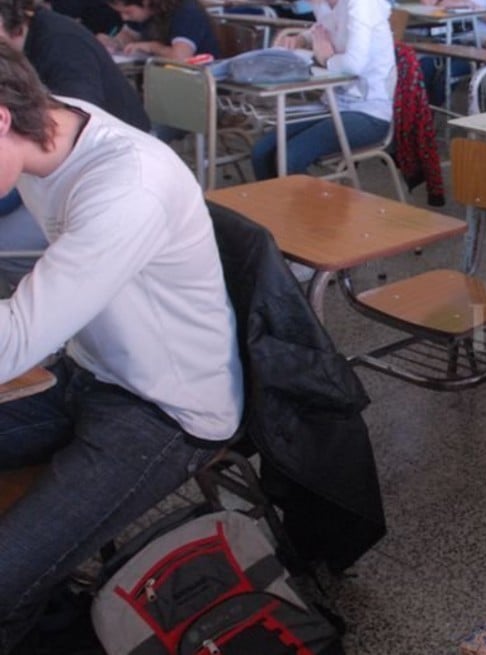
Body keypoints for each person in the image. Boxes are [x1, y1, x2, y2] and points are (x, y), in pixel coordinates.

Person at [0, 41, 242, 651]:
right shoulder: (50, 125)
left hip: (165, 411)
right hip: (88, 372)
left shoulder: (127, 184)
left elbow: (14, 344)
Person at [0, 0, 150, 289]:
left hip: (99, 165)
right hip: (56, 160)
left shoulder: (61, 43)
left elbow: (57, 137)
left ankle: (47, 285)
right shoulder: (32, 42)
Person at [250, 0, 394, 179]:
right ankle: (274, 198)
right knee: (262, 152)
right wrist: (301, 39)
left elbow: (354, 65)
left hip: (370, 111)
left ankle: (306, 198)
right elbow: (322, 30)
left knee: (289, 158)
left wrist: (327, 59)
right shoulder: (322, 3)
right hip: (332, 105)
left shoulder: (362, 4)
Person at [416, 0, 486, 106]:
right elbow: (429, 5)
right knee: (424, 66)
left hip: (483, 44)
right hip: (454, 42)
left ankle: (428, 110)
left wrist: (474, 9)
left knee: (447, 75)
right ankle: (420, 111)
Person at [95, 0, 220, 60]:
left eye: (127, 12)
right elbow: (128, 36)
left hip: (199, 80)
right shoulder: (145, 13)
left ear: (146, 2)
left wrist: (152, 47)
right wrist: (112, 42)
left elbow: (180, 57)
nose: (124, 17)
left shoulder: (186, 11)